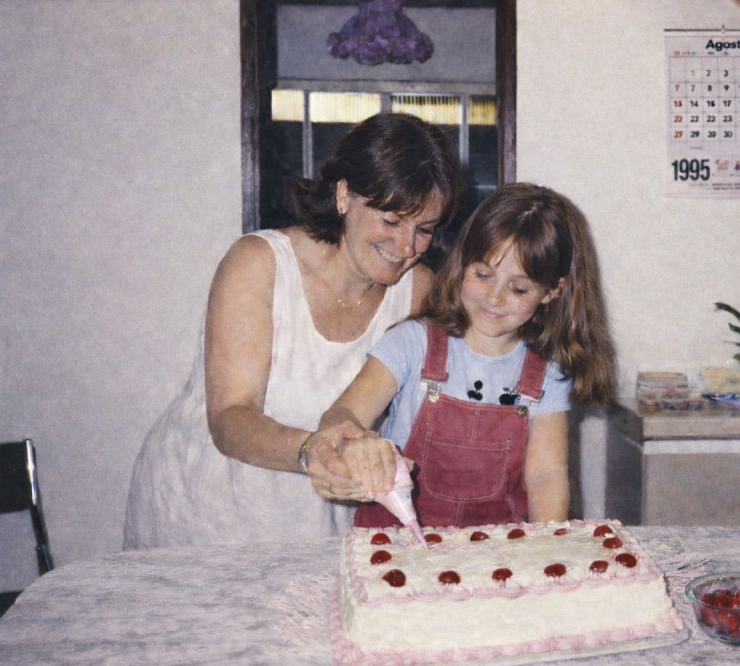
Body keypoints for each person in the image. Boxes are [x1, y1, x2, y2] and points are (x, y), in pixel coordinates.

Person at [123, 113, 461, 549]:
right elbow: (229, 417)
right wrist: (310, 451)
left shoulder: (417, 292)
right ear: (344, 195)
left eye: (424, 230)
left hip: (319, 512)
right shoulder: (258, 263)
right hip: (209, 504)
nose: (406, 247)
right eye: (392, 221)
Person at [312, 182, 616, 527]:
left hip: (493, 551)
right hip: (396, 546)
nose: (495, 297)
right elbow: (343, 411)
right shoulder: (412, 342)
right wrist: (352, 441)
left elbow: (547, 474)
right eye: (482, 274)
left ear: (551, 292)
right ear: (463, 263)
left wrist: (549, 541)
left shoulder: (548, 373)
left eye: (519, 288)